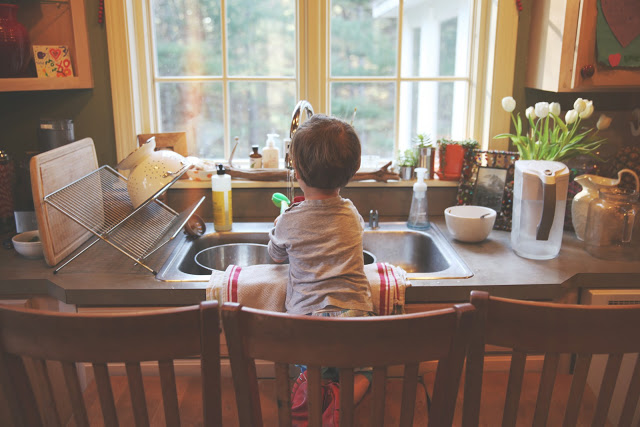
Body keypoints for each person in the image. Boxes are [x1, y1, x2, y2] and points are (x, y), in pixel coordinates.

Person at [268, 114, 374, 403]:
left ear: (297, 173)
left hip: (309, 321)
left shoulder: (288, 220)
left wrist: (280, 222)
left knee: (314, 375)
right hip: (355, 316)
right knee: (365, 373)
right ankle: (341, 405)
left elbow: (275, 256)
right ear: (352, 171)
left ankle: (322, 404)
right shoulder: (352, 214)